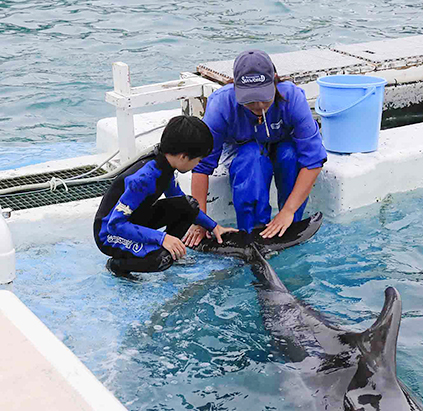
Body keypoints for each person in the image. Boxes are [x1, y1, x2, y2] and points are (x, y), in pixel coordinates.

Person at [182, 49, 327, 248]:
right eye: (249, 100)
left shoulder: (292, 97)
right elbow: (201, 165)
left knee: (289, 156)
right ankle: (252, 233)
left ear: (274, 81)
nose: (258, 105)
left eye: (264, 98)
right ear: (235, 87)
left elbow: (313, 160)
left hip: (283, 144)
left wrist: (288, 211)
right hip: (242, 150)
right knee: (251, 159)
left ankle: (288, 226)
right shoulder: (221, 104)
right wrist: (200, 220)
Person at [94, 115, 236, 276]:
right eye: (198, 160)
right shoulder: (144, 179)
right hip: (109, 234)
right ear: (183, 156)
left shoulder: (165, 166)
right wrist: (162, 238)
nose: (198, 165)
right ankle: (117, 266)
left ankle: (171, 249)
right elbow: (115, 225)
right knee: (161, 259)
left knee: (188, 204)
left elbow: (181, 203)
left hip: (134, 219)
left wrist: (213, 226)